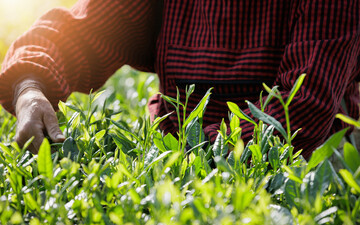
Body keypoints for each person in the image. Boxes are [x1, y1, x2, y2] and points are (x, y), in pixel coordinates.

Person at [0, 0, 359, 157]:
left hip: (304, 160)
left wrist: (192, 157)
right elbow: (85, 30)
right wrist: (30, 86)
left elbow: (303, 108)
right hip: (178, 149)